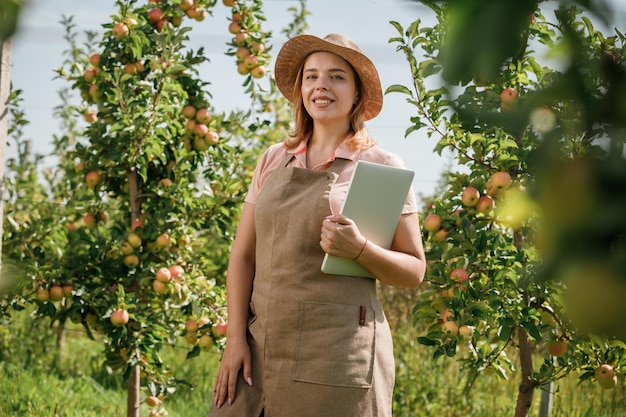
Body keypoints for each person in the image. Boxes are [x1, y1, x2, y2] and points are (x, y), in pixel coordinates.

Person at [208, 33, 426, 417]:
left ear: (357, 94)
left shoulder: (381, 167)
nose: (321, 85)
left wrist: (360, 250)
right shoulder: (274, 159)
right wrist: (234, 339)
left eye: (337, 76)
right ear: (300, 89)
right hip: (261, 345)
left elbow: (414, 269)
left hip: (337, 356)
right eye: (311, 76)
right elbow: (242, 257)